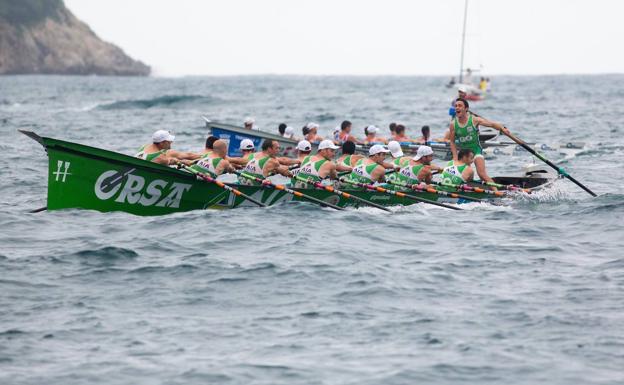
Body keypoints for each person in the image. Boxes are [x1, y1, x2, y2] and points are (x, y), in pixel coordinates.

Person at [449, 98, 510, 185]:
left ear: (466, 109)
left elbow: (491, 124)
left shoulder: (474, 120)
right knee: (464, 175)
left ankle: (497, 191)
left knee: (482, 175)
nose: (457, 108)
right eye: (456, 106)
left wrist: (502, 129)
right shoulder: (453, 124)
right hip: (464, 154)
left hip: (476, 150)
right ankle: (470, 190)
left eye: (460, 106)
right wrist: (455, 158)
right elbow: (452, 142)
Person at [135, 130, 200, 166]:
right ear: (161, 143)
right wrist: (185, 162)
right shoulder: (160, 157)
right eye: (168, 141)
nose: (171, 142)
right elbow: (172, 161)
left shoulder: (144, 147)